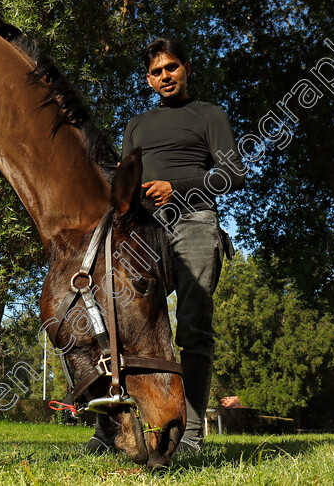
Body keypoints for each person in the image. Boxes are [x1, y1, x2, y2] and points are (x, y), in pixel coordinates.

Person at [87, 36, 245, 455]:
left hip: (193, 223)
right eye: (157, 71)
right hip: (144, 230)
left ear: (186, 68)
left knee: (193, 327)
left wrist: (178, 188)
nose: (165, 76)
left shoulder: (209, 115)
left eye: (171, 67)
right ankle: (110, 431)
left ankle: (190, 435)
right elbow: (124, 182)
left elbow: (234, 175)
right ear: (148, 79)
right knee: (119, 325)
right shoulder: (136, 124)